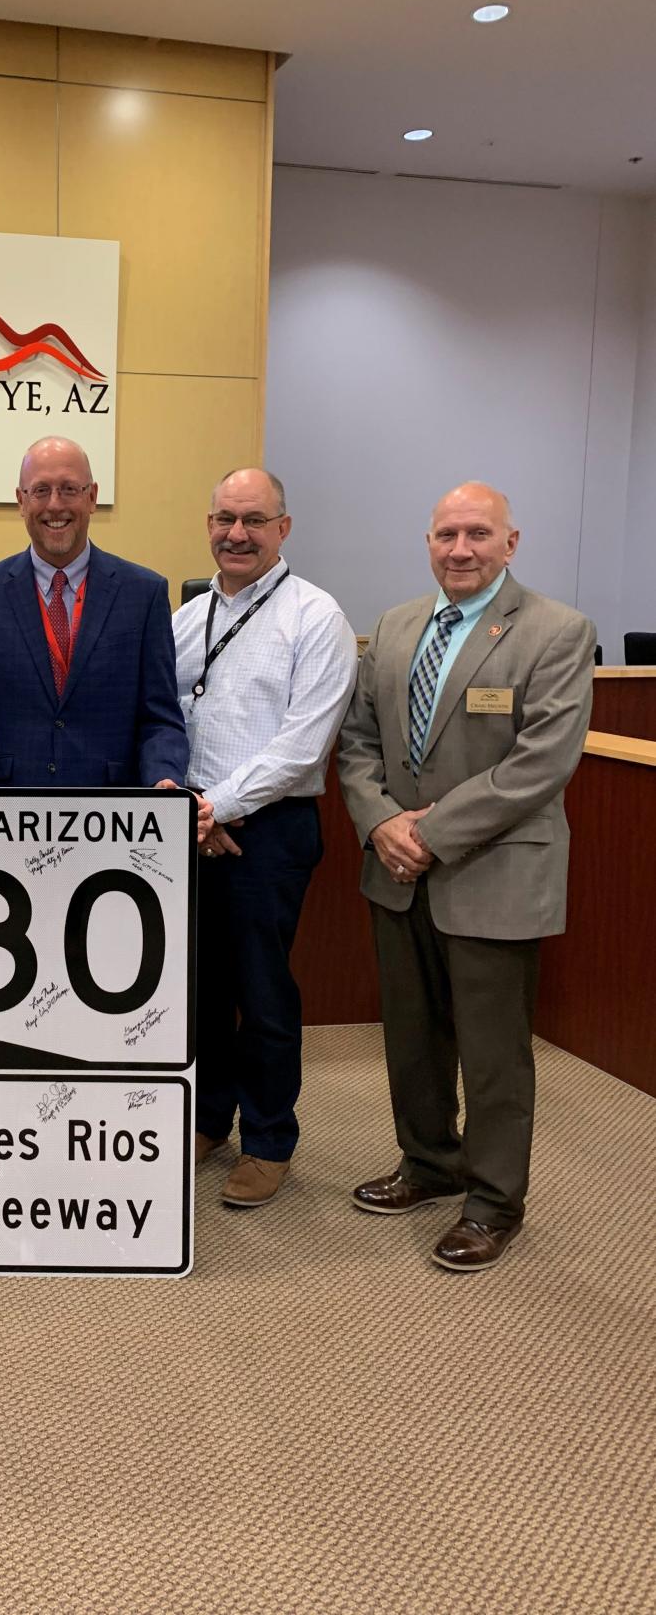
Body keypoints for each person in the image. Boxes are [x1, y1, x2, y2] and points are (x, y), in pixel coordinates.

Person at [337, 481, 595, 1271]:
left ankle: (492, 1202)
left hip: (493, 870)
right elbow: (357, 742)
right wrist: (381, 821)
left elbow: (540, 765)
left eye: (478, 534)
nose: (460, 549)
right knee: (412, 1038)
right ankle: (428, 1163)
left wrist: (430, 834)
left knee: (492, 1053)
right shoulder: (393, 626)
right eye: (446, 534)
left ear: (510, 543)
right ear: (428, 541)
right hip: (396, 868)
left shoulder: (555, 631)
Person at [174, 468, 358, 1208]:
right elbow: (165, 720)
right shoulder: (187, 617)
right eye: (224, 518)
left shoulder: (316, 617)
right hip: (189, 829)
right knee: (200, 991)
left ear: (284, 528)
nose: (236, 534)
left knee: (263, 990)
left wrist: (214, 807)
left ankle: (270, 1137)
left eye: (253, 519)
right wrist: (194, 810)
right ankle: (211, 1115)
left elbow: (302, 746)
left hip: (270, 831)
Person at [0, 435, 187, 833]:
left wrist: (164, 781)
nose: (55, 505)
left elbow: (160, 718)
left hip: (115, 820)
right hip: (9, 821)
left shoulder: (144, 592)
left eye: (69, 489)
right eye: (41, 491)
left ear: (92, 496)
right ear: (21, 500)